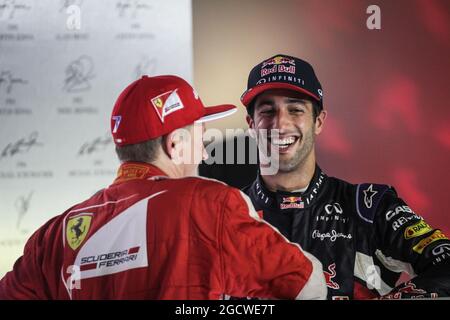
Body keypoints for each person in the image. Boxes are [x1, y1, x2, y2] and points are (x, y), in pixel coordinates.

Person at [0, 75, 326, 300]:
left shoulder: (53, 236)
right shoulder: (210, 205)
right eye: (199, 138)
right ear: (175, 144)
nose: (203, 152)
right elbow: (307, 285)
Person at [240, 54, 450, 300]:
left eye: (295, 109)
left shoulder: (369, 207)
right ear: (251, 125)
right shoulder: (224, 213)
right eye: (267, 110)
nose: (280, 123)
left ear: (318, 121)